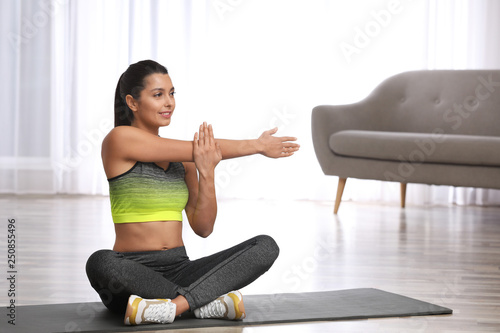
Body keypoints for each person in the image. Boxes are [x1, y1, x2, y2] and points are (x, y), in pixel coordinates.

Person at [85, 60, 300, 325]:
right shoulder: (119, 140)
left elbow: (203, 227)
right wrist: (256, 145)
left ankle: (173, 307)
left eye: (172, 93)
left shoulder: (184, 161)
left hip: (180, 269)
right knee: (100, 262)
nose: (169, 102)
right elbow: (197, 148)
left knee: (265, 246)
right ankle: (203, 302)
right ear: (132, 102)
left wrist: (207, 172)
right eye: (158, 95)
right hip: (131, 274)